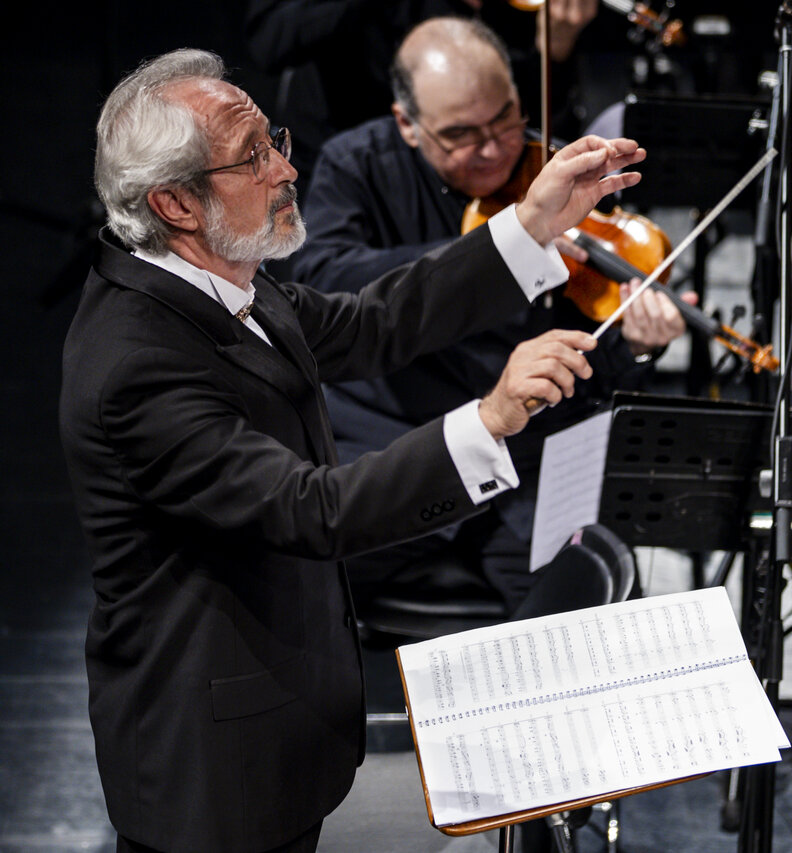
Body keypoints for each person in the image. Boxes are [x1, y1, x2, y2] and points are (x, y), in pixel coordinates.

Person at [59, 47, 645, 852]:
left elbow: (371, 320)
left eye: (275, 141)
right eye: (253, 157)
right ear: (175, 203)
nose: (285, 171)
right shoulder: (135, 367)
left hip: (279, 726)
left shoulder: (223, 275)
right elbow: (313, 508)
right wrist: (492, 416)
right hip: (210, 769)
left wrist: (533, 223)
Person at [292, 16, 692, 611]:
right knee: (296, 593)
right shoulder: (357, 165)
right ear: (408, 124)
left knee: (586, 601)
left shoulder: (550, 172)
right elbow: (322, 285)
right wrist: (494, 247)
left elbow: (588, 370)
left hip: (522, 460)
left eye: (504, 118)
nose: (491, 148)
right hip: (393, 451)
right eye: (460, 134)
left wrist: (633, 345)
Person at [244, 0, 603, 184]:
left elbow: (524, 120)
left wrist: (554, 48)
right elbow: (271, 41)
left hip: (465, 176)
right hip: (343, 164)